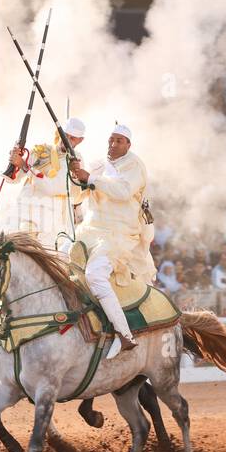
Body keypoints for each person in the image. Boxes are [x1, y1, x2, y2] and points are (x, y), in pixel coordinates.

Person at [68, 123, 151, 357]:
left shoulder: (134, 165)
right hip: (89, 230)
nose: (113, 145)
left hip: (119, 234)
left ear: (128, 145)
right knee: (59, 258)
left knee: (95, 274)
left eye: (118, 141)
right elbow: (77, 196)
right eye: (110, 140)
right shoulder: (98, 165)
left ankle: (124, 334)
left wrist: (90, 177)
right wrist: (74, 174)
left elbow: (123, 192)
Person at [5, 117, 85, 247]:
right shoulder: (39, 150)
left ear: (80, 140)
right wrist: (14, 161)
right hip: (24, 212)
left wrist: (25, 166)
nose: (66, 141)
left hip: (50, 221)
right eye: (65, 136)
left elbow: (52, 187)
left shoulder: (75, 161)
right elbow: (13, 179)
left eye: (72, 138)